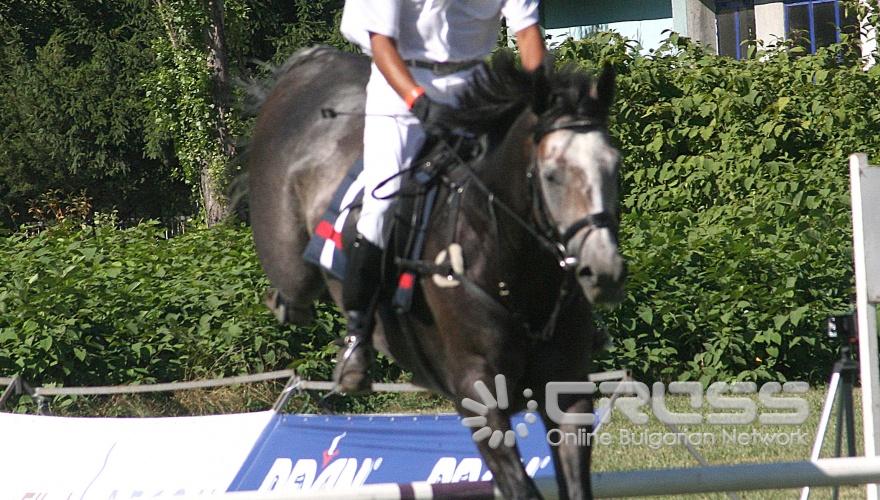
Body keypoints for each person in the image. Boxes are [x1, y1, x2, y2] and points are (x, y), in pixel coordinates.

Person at [335, 0, 546, 393]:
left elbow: (528, 32)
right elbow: (381, 43)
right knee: (381, 207)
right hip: (402, 87)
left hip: (477, 86)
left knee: (533, 186)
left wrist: (540, 102)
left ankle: (561, 314)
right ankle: (356, 336)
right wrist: (419, 102)